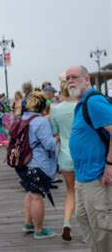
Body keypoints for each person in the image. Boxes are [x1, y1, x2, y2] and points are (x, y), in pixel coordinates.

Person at [66, 65, 112, 252]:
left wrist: (110, 164)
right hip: (82, 178)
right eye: (67, 78)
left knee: (103, 229)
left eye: (74, 77)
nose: (70, 81)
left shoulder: (94, 102)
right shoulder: (82, 103)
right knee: (84, 221)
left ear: (87, 79)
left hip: (97, 178)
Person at [20, 91, 58, 240]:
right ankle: (39, 230)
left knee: (30, 192)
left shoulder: (24, 118)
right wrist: (59, 136)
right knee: (37, 197)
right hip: (39, 164)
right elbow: (49, 144)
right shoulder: (41, 121)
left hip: (26, 163)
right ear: (43, 106)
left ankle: (28, 223)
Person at [49, 75, 77, 241]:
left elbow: (55, 132)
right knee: (85, 192)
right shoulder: (81, 106)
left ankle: (66, 222)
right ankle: (87, 225)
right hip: (84, 155)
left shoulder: (55, 109)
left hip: (65, 154)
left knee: (70, 191)